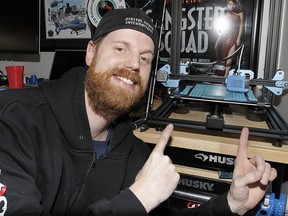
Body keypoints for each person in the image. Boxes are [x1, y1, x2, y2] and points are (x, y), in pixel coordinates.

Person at [0, 8, 277, 216]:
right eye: (121, 48)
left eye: (145, 58)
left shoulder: (137, 155)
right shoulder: (16, 121)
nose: (134, 63)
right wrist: (137, 199)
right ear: (90, 53)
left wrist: (231, 204)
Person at [214, 0, 244, 76]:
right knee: (223, 56)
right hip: (224, 37)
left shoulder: (240, 13)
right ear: (227, 5)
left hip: (234, 37)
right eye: (230, 4)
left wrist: (238, 38)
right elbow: (221, 28)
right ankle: (221, 75)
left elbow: (241, 27)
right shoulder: (225, 14)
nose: (231, 6)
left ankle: (225, 76)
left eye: (233, 4)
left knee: (230, 57)